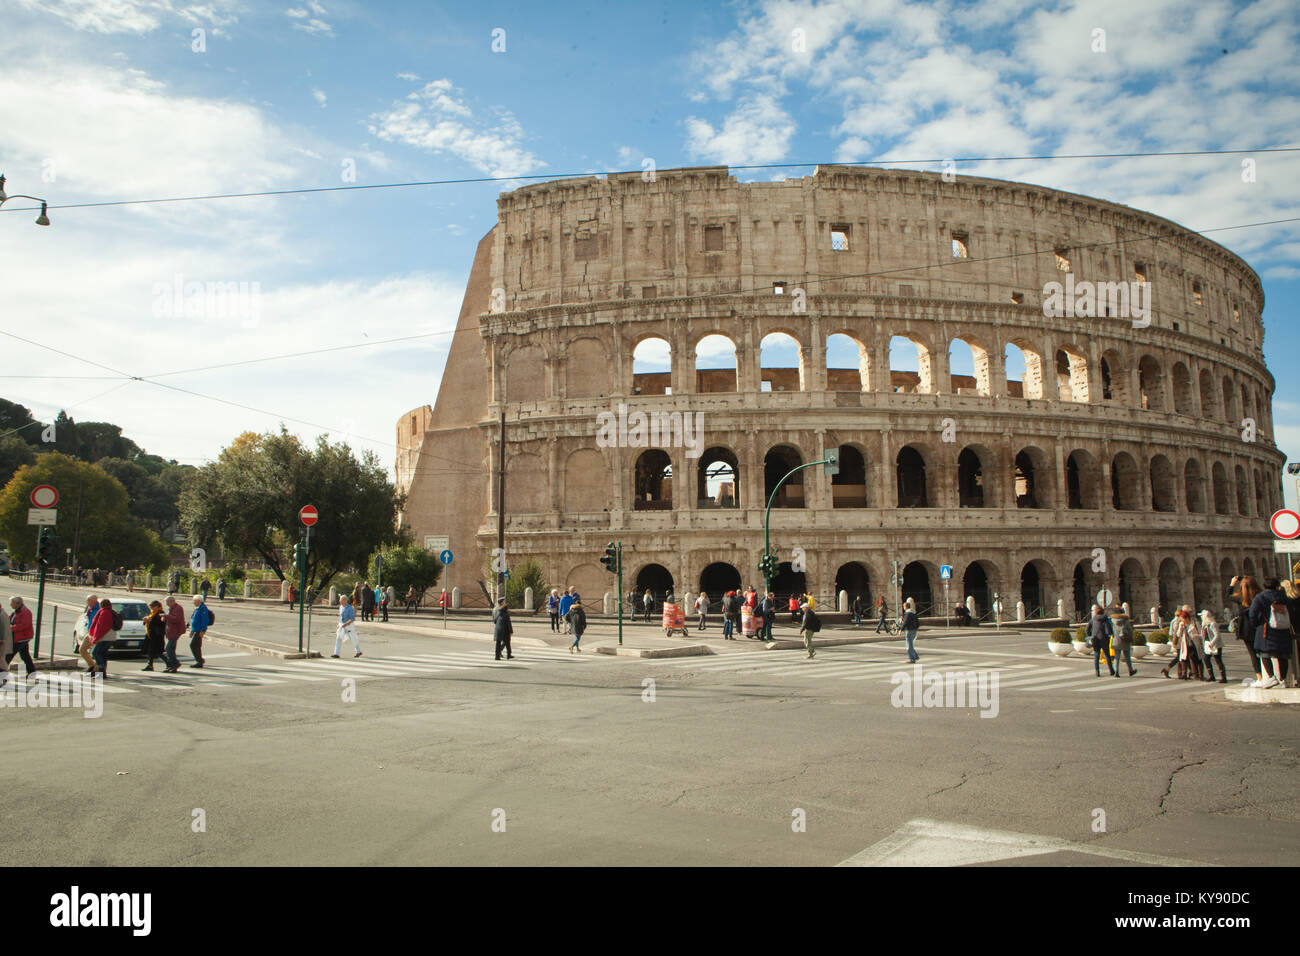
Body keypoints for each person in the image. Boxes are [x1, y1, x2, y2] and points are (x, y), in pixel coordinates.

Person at [1248, 576, 1295, 689]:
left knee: (1264, 653)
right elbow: (1291, 613)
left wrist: (1257, 624)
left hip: (1266, 629)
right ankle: (1283, 680)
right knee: (1282, 655)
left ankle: (1271, 677)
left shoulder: (1260, 597)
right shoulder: (1285, 597)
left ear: (1264, 586)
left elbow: (1252, 614)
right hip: (1283, 629)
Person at [1227, 574, 1262, 683]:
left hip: (1246, 629)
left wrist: (1232, 584)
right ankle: (1269, 674)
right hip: (1259, 627)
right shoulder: (1260, 596)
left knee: (1253, 654)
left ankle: (1260, 677)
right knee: (1263, 653)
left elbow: (1228, 595)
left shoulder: (1241, 598)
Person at [6, 596, 36, 678]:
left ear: (18, 604)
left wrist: (11, 628)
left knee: (8, 656)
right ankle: (32, 672)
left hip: (21, 638)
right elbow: (11, 619)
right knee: (25, 655)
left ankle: (2, 674)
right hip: (20, 637)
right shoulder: (17, 611)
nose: (10, 605)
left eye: (12, 603)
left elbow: (23, 625)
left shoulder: (25, 612)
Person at [88, 598, 117, 679]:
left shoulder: (104, 612)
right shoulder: (110, 611)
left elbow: (101, 627)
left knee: (95, 653)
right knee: (102, 654)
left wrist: (95, 638)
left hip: (104, 637)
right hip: (110, 636)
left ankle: (101, 671)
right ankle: (102, 672)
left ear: (102, 605)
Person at [74, 593, 99, 674]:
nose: (87, 602)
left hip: (95, 634)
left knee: (95, 653)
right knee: (82, 649)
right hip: (89, 633)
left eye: (88, 600)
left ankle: (96, 669)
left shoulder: (98, 610)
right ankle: (93, 666)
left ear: (94, 601)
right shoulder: (90, 609)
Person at [1087, 604, 1115, 677]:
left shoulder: (1093, 619)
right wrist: (1111, 635)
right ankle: (1111, 670)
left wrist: (1090, 635)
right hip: (1104, 639)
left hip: (1095, 639)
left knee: (1096, 655)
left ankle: (1097, 671)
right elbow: (1109, 629)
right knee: (1107, 655)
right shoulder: (1105, 619)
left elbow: (1087, 628)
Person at [1200, 609, 1227, 683]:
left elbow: (1217, 635)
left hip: (1215, 645)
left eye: (1202, 616)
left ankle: (1223, 677)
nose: (1201, 618)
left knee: (1218, 660)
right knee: (1206, 659)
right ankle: (1212, 676)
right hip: (1207, 644)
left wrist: (1212, 643)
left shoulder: (1212, 624)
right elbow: (1204, 635)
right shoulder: (1205, 625)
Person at [1110, 608, 1137, 677]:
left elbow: (1110, 630)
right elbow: (1130, 630)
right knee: (1127, 657)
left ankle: (1116, 671)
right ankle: (1130, 670)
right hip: (1125, 640)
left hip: (1116, 640)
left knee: (1117, 657)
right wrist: (1131, 638)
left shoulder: (1112, 621)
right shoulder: (1125, 620)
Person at [187, 596, 212, 668]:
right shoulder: (198, 609)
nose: (193, 602)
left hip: (199, 630)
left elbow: (205, 620)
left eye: (194, 601)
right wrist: (192, 631)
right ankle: (199, 661)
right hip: (196, 630)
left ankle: (199, 660)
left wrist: (203, 630)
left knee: (193, 645)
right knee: (197, 646)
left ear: (199, 601)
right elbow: (194, 620)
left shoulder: (203, 609)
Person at [163, 595, 185, 673]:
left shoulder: (178, 608)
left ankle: (175, 664)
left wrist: (165, 616)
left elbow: (176, 619)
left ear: (172, 601)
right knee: (171, 649)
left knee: (168, 648)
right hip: (171, 631)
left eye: (167, 602)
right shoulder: (172, 608)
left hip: (176, 631)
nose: (166, 604)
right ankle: (172, 666)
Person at [143, 600, 167, 671]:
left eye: (152, 607)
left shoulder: (161, 613)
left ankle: (170, 663)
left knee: (158, 652)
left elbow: (160, 623)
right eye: (151, 607)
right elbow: (150, 623)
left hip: (157, 635)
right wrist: (146, 620)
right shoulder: (153, 613)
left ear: (157, 606)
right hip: (151, 635)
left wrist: (150, 620)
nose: (151, 608)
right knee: (150, 651)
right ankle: (150, 665)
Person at [900, 597, 920, 663]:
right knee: (910, 645)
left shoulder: (907, 614)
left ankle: (912, 659)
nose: (903, 608)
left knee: (909, 646)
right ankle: (916, 656)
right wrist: (916, 628)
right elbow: (918, 622)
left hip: (909, 630)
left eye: (904, 606)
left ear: (906, 607)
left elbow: (905, 622)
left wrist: (901, 630)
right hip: (914, 630)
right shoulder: (913, 613)